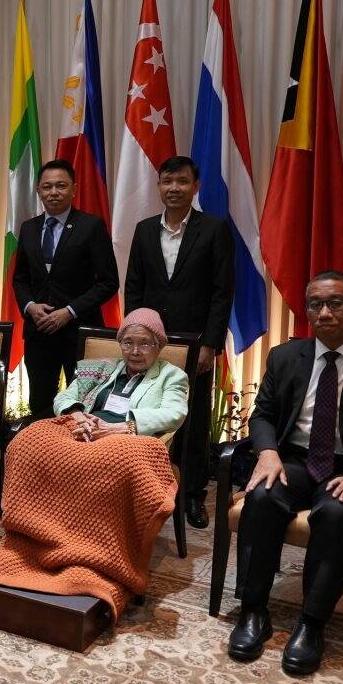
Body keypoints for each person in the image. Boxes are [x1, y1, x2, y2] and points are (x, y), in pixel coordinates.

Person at [228, 271, 343, 676]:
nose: (325, 312)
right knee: (260, 499)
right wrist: (266, 453)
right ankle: (253, 611)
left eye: (336, 303)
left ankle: (312, 624)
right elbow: (262, 414)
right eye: (316, 303)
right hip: (294, 461)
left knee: (335, 515)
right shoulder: (284, 356)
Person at [0, 309, 189, 616]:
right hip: (82, 429)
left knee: (112, 462)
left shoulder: (172, 376)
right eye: (128, 342)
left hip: (127, 440)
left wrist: (123, 426)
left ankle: (93, 554)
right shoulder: (103, 369)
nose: (135, 350)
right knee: (26, 442)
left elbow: (174, 413)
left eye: (144, 343)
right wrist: (78, 413)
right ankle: (34, 541)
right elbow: (65, 396)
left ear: (158, 345)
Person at [125, 155, 234, 528]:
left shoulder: (214, 229)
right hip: (151, 341)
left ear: (195, 186)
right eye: (167, 181)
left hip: (195, 342)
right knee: (148, 409)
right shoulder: (143, 230)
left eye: (182, 182)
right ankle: (151, 489)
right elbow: (134, 287)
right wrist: (133, 337)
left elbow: (222, 292)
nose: (174, 188)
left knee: (195, 417)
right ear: (158, 186)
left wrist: (210, 344)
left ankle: (192, 495)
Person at [12, 159, 119, 418]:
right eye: (47, 186)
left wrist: (69, 311)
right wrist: (30, 307)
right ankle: (42, 455)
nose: (53, 192)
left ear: (74, 189)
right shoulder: (29, 228)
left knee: (81, 403)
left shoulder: (91, 226)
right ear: (38, 190)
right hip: (39, 332)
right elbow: (20, 278)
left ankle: (77, 457)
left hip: (79, 332)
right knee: (40, 402)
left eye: (61, 186)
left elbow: (108, 282)